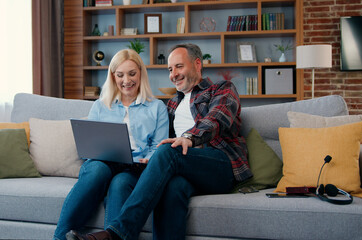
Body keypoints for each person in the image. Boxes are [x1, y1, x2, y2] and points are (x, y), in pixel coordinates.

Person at [68, 43, 252, 240]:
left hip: (219, 165)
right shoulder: (172, 104)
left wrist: (188, 139)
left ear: (197, 64)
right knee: (172, 188)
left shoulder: (222, 89)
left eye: (179, 67)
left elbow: (215, 120)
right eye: (170, 69)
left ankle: (117, 232)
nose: (174, 74)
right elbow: (157, 137)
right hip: (185, 169)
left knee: (167, 150)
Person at [53, 49, 169, 240]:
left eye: (132, 74)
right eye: (120, 75)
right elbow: (88, 145)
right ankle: (60, 238)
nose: (126, 81)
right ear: (113, 76)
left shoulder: (157, 108)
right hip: (102, 163)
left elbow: (159, 148)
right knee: (98, 170)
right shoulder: (100, 105)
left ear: (141, 73)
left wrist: (145, 159)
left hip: (134, 168)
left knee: (120, 182)